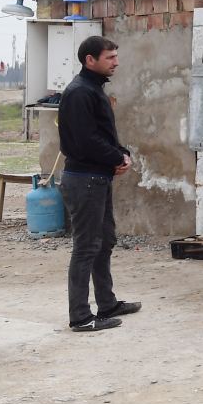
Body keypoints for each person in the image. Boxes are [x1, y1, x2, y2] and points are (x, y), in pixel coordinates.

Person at [57, 35, 141, 332]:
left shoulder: (93, 90)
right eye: (110, 57)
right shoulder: (80, 93)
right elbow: (85, 140)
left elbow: (103, 135)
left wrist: (122, 154)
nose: (116, 62)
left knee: (104, 241)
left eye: (116, 57)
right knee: (86, 246)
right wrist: (115, 158)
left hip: (97, 177)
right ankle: (80, 317)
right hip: (84, 179)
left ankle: (107, 303)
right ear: (89, 60)